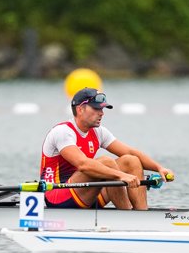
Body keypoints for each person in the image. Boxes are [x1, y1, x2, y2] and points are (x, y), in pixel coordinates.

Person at [39, 87, 174, 210]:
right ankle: (127, 215)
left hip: (88, 191)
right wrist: (122, 175)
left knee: (131, 160)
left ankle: (142, 213)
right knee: (106, 162)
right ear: (80, 109)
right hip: (58, 195)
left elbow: (130, 152)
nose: (102, 113)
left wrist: (159, 168)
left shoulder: (99, 132)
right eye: (96, 109)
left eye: (102, 109)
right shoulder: (63, 131)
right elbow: (83, 165)